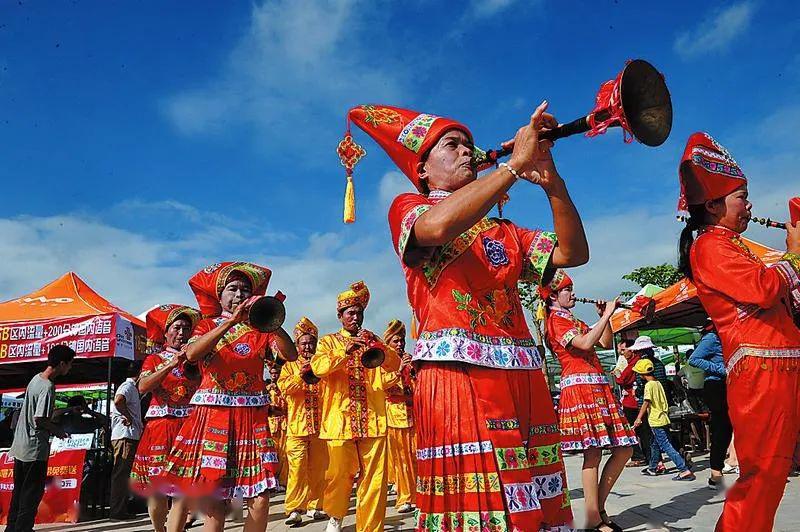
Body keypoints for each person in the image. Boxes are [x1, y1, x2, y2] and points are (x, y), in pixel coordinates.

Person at [343, 100, 585, 530]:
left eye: (468, 145)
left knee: (532, 494)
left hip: (522, 373)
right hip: (457, 373)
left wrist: (552, 183)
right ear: (422, 169)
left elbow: (573, 253)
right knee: (480, 505)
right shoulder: (409, 206)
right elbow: (436, 229)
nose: (465, 152)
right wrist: (511, 167)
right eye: (451, 145)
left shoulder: (505, 230)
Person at [676, 132, 800, 531]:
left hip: (778, 369)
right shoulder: (709, 246)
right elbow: (762, 289)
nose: (749, 206)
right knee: (762, 476)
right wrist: (796, 255)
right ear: (713, 205)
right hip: (762, 375)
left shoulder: (734, 245)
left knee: (772, 475)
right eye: (741, 197)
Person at [158, 262, 298, 532]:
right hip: (213, 417)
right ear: (219, 296)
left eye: (245, 289)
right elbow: (192, 354)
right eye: (232, 289)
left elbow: (290, 355)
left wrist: (274, 323)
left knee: (261, 498)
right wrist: (232, 321)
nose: (239, 294)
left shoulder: (261, 330)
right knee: (214, 500)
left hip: (252, 419)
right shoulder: (206, 325)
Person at [541, 271, 636, 532]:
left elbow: (604, 342)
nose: (572, 295)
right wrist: (607, 314)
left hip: (596, 385)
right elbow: (583, 344)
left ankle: (599, 508)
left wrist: (603, 318)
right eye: (567, 291)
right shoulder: (556, 321)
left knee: (624, 449)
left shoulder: (572, 319)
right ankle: (593, 517)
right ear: (553, 296)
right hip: (580, 386)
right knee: (592, 453)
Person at [310, 281, 401, 532]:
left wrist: (380, 346)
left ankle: (370, 528)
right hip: (339, 421)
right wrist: (345, 352)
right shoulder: (328, 342)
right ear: (340, 316)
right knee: (339, 475)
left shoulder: (371, 338)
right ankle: (336, 515)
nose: (355, 317)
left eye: (359, 312)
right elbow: (318, 368)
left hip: (373, 419)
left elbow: (393, 366)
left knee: (375, 480)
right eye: (350, 312)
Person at [131, 304, 201, 532]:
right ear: (166, 331)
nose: (182, 333)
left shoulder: (198, 359)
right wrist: (171, 364)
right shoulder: (154, 359)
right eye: (177, 327)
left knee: (184, 487)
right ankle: (159, 529)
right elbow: (142, 386)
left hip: (189, 427)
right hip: (161, 425)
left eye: (187, 328)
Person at [4, 344, 75, 532]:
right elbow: (40, 419)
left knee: (19, 492)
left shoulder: (35, 379)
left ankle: (13, 527)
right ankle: (23, 528)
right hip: (34, 449)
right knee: (31, 495)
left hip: (20, 445)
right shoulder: (48, 386)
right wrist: (58, 431)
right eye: (69, 364)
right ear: (61, 364)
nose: (70, 368)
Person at [277, 317, 328, 525]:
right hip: (296, 427)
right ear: (297, 345)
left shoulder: (321, 364)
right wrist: (301, 374)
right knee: (297, 469)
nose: (307, 346)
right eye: (303, 343)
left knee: (319, 468)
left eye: (311, 342)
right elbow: (285, 388)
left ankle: (315, 506)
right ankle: (294, 508)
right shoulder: (289, 366)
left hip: (320, 427)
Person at [631, 359, 695, 481]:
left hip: (656, 420)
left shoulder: (649, 386)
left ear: (641, 374)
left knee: (666, 445)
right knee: (655, 443)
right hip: (664, 417)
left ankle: (683, 469)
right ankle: (653, 466)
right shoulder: (657, 383)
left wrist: (639, 418)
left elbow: (646, 402)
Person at [687, 326, 731, 489]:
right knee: (722, 428)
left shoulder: (731, 334)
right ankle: (716, 472)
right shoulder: (712, 337)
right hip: (716, 385)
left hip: (733, 384)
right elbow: (694, 359)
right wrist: (722, 370)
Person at [380, 319, 416, 515]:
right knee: (402, 460)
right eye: (396, 341)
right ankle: (405, 497)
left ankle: (421, 494)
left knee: (417, 457)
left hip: (414, 413)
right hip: (395, 416)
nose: (400, 344)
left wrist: (415, 369)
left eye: (402, 340)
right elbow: (381, 384)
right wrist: (399, 369)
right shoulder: (384, 362)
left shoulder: (411, 359)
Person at [109, 359, 144, 520]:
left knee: (124, 474)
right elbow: (119, 400)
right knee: (121, 474)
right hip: (125, 435)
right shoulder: (128, 386)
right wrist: (128, 416)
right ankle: (117, 510)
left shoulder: (132, 388)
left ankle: (120, 508)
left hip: (127, 435)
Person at [614, 338, 648, 466]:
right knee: (642, 431)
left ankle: (638, 456)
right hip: (635, 400)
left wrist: (617, 373)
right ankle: (647, 456)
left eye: (623, 350)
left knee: (633, 430)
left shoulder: (634, 364)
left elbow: (621, 380)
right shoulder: (634, 362)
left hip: (633, 402)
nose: (622, 353)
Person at [266, 364, 288, 488]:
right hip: (271, 424)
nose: (274, 376)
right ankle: (273, 481)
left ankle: (283, 481)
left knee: (284, 453)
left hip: (284, 423)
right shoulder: (267, 389)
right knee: (272, 453)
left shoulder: (285, 386)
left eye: (276, 373)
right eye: (272, 373)